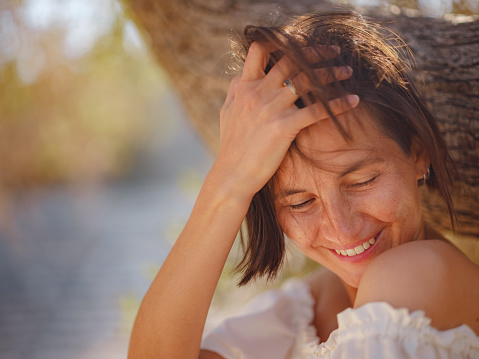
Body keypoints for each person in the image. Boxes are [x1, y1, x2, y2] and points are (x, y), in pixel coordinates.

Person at [128, 10, 479, 359]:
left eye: (362, 181)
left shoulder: (418, 275)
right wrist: (229, 181)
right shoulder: (302, 311)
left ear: (418, 153)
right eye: (299, 203)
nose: (342, 230)